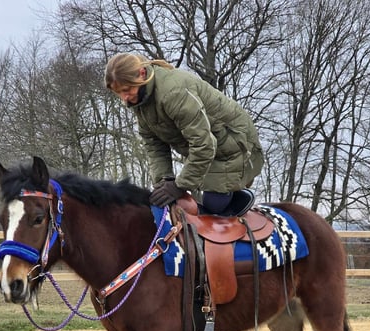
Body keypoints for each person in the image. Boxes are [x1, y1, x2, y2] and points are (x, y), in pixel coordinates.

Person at [105, 53, 264, 215]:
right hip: (210, 148)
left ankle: (240, 197)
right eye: (118, 93)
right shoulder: (140, 100)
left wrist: (179, 186)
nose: (124, 98)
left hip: (234, 144)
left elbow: (204, 145)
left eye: (127, 89)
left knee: (213, 207)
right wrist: (164, 181)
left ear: (142, 74)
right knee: (171, 205)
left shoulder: (173, 93)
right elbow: (154, 144)